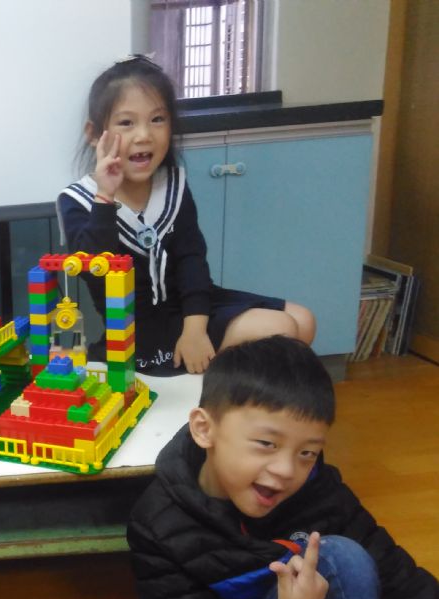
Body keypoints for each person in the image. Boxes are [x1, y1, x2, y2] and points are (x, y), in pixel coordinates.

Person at [127, 336, 439, 599]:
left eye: (307, 452)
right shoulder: (158, 522)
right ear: (204, 429)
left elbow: (403, 584)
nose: (286, 470)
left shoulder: (320, 493)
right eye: (267, 444)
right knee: (335, 557)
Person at [57, 56, 315, 374]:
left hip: (193, 307)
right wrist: (105, 196)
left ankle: (220, 383)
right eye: (126, 123)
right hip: (139, 329)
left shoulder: (173, 184)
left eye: (157, 119)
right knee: (281, 328)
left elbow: (192, 260)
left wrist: (195, 329)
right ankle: (214, 390)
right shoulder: (77, 200)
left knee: (304, 321)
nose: (144, 135)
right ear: (95, 134)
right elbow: (94, 270)